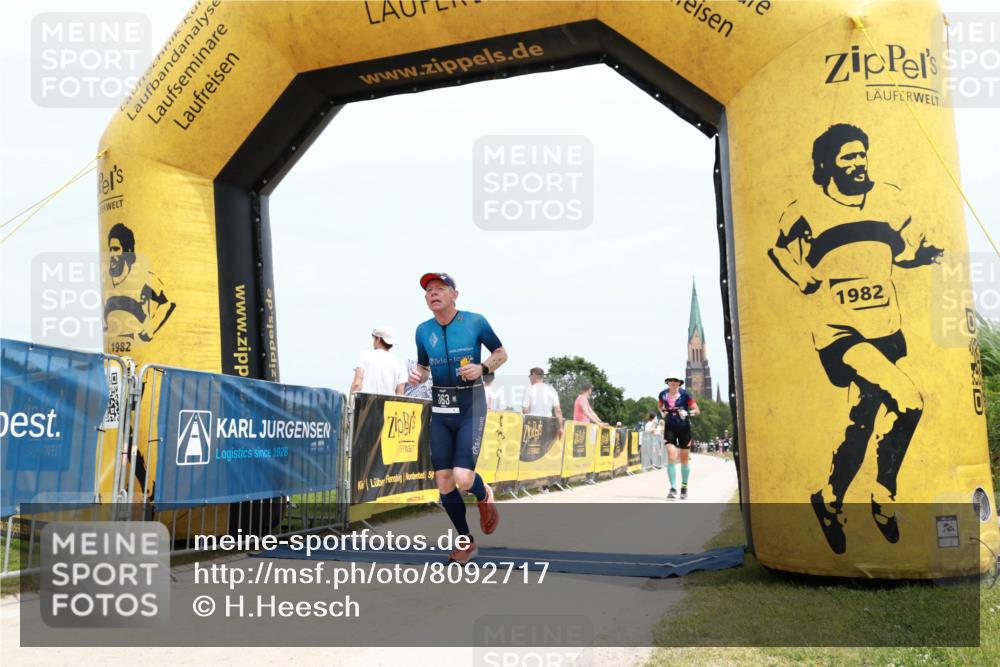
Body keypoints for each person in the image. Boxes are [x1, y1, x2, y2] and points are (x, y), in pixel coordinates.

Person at [768, 123, 939, 554]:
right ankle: (884, 496)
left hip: (886, 328)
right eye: (848, 157)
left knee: (861, 425)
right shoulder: (806, 206)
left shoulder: (889, 199)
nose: (858, 162)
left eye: (861, 154)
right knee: (911, 399)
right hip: (840, 333)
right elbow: (779, 248)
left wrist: (919, 257)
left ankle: (828, 500)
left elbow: (898, 253)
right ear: (826, 165)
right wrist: (801, 275)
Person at [408, 272, 507, 564]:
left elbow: (501, 353)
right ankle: (465, 541)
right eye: (428, 290)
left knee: (463, 478)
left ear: (454, 294)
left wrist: (484, 368)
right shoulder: (423, 330)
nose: (432, 294)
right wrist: (418, 374)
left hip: (469, 405)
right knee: (443, 481)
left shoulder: (475, 321)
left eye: (439, 288)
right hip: (440, 408)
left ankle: (483, 491)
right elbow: (424, 367)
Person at [103, 222, 175, 346]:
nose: (112, 255)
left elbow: (167, 304)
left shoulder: (144, 278)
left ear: (128, 252)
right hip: (116, 358)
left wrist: (150, 329)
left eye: (116, 249)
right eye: (110, 249)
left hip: (143, 356)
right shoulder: (106, 283)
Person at [659, 373, 700, 500]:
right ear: (667, 382)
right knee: (671, 456)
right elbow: (660, 406)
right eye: (670, 380)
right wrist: (662, 413)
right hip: (670, 427)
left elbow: (697, 411)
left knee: (684, 459)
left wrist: (687, 413)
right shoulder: (663, 394)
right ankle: (672, 488)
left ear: (679, 383)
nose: (673, 382)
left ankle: (684, 486)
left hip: (684, 428)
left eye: (675, 380)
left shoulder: (685, 395)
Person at [350, 326, 406, 396]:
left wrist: (349, 404)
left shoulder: (365, 356)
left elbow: (357, 385)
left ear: (378, 339)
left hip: (366, 405)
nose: (373, 342)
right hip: (387, 406)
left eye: (374, 339)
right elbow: (400, 393)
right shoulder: (400, 363)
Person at [522, 367, 564, 437]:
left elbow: (525, 410)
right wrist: (561, 427)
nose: (529, 378)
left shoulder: (529, 389)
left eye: (530, 376)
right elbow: (558, 410)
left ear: (534, 375)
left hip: (533, 426)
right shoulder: (552, 390)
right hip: (548, 425)